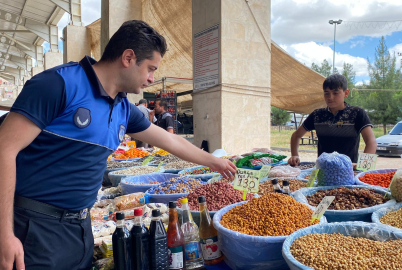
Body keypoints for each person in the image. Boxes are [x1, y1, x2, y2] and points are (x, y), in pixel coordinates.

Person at [0, 20, 236, 270]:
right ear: (128, 57)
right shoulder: (59, 84)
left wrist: (215, 161)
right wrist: (5, 234)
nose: (151, 79)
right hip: (35, 227)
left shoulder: (123, 108)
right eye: (150, 69)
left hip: (80, 227)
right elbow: (4, 149)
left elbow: (169, 140)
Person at [288, 74, 377, 168]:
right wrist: (294, 155)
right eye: (326, 93)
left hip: (348, 170)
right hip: (323, 170)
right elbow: (296, 135)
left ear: (346, 93)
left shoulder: (357, 113)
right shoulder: (317, 115)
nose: (330, 97)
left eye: (335, 93)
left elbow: (371, 142)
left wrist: (364, 166)